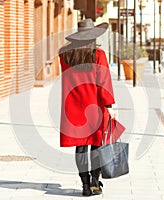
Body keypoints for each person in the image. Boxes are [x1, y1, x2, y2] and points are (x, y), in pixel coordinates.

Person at [58, 19, 116, 196]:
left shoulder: (64, 54)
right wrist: (109, 105)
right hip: (95, 107)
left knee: (81, 146)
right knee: (97, 144)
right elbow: (103, 82)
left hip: (74, 107)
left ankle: (84, 184)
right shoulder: (98, 55)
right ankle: (94, 181)